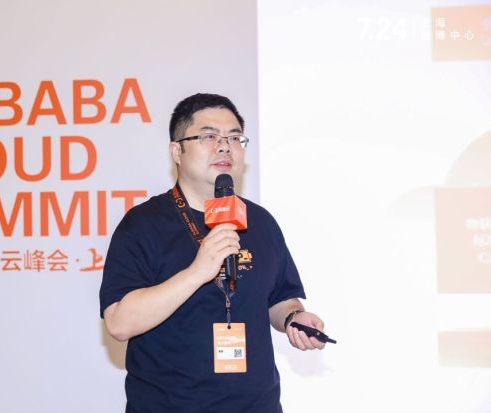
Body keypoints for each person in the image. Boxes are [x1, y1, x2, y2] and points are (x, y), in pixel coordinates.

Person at [99, 93, 327, 413]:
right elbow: (119, 323)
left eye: (234, 138)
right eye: (208, 137)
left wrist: (293, 317)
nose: (224, 147)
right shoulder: (143, 224)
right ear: (176, 151)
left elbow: (280, 299)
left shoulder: (260, 221)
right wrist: (196, 272)